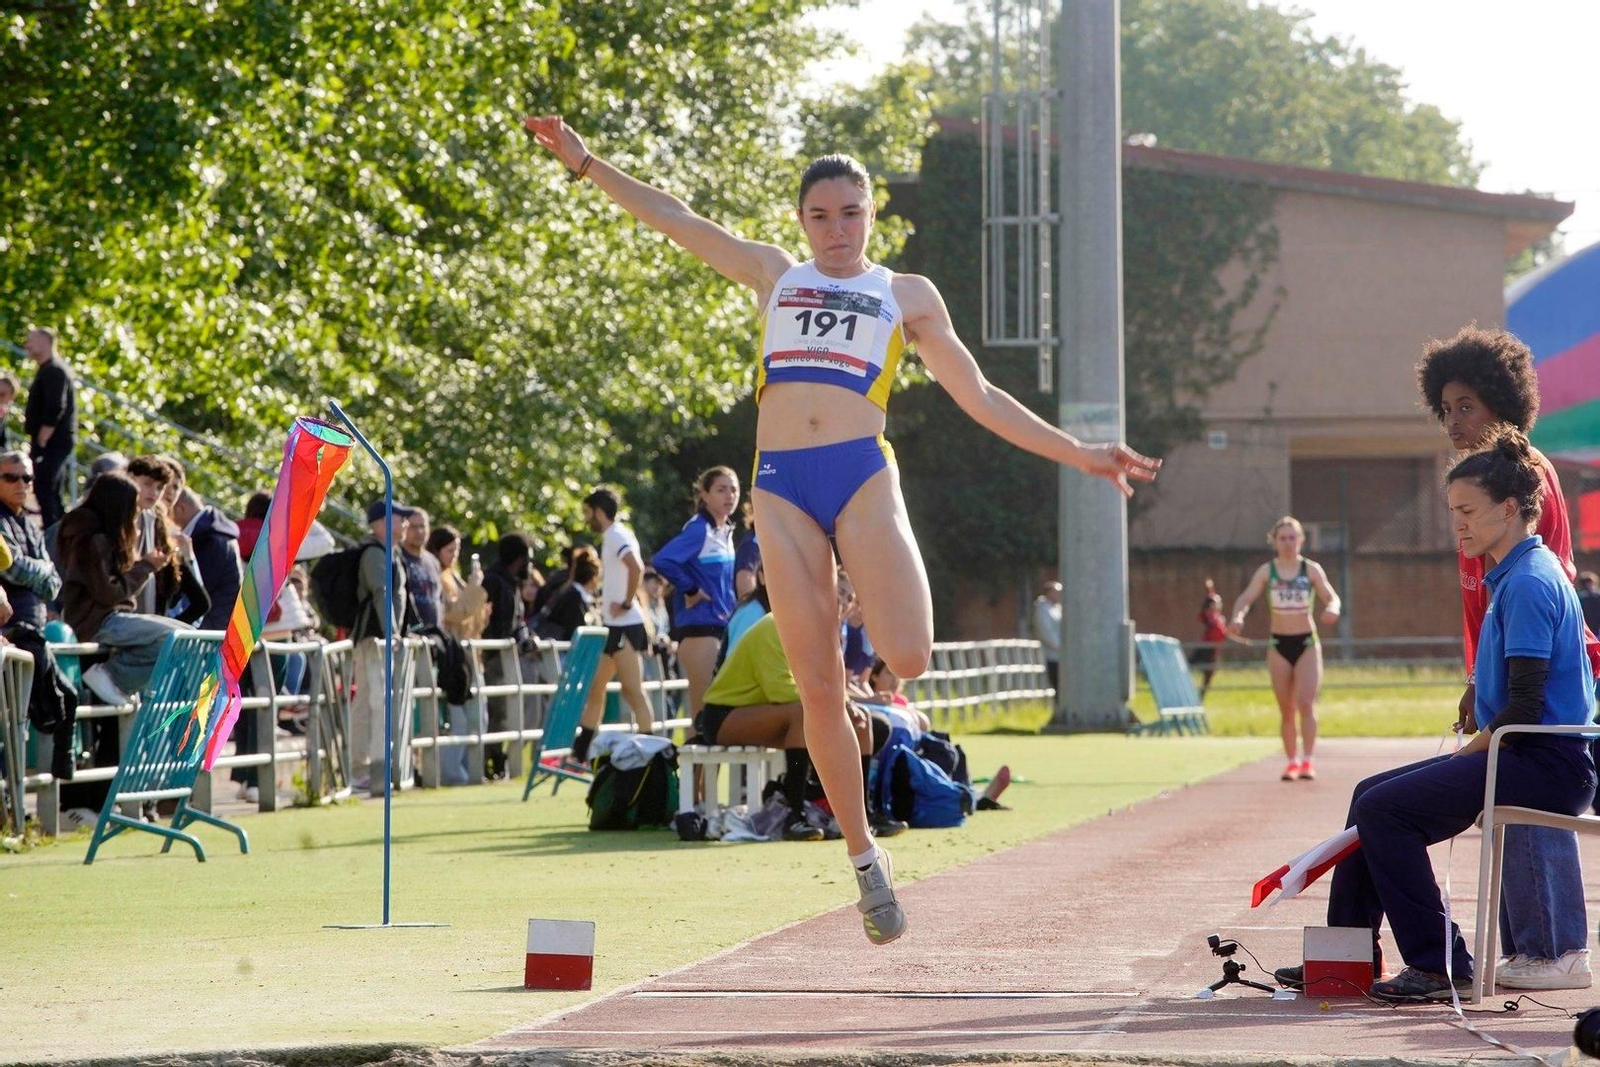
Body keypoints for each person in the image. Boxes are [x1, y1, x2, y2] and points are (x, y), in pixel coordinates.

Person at [526, 117, 1158, 943]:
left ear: (870, 217)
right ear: (800, 220)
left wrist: (1078, 454)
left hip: (861, 472)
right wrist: (583, 161)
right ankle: (864, 860)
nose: (835, 228)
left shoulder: (906, 294)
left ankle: (875, 748)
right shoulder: (771, 273)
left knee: (911, 653)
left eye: (850, 213)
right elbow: (675, 218)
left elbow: (982, 396)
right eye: (820, 215)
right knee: (818, 683)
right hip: (781, 488)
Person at [1274, 431, 1597, 1002]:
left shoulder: (1527, 581)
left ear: (1509, 508)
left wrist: (1471, 749)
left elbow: (1524, 706)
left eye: (1468, 511)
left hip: (1542, 763)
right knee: (1368, 794)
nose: (1459, 526)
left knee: (1385, 810)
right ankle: (1345, 955)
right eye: (1453, 513)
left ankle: (1440, 964)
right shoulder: (1514, 575)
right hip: (1523, 753)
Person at [1417, 324, 1600, 988]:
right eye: (1446, 408)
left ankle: (1559, 946)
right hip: (1500, 668)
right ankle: (1530, 945)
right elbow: (1480, 606)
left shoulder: (1527, 484)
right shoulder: (1473, 488)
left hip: (1543, 668)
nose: (1455, 420)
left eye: (1467, 404)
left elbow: (1530, 586)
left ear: (1500, 402)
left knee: (1535, 803)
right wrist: (1475, 677)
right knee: (1503, 806)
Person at [697, 574, 888, 841]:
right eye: (838, 593)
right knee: (802, 712)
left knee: (863, 720)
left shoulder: (828, 638)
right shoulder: (778, 625)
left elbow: (831, 689)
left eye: (848, 598)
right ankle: (794, 814)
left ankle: (860, 815)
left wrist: (846, 705)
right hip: (725, 715)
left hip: (770, 715)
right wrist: (840, 705)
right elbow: (781, 691)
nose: (843, 602)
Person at [57, 472, 191, 706]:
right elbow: (110, 593)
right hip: (98, 620)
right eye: (132, 507)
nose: (136, 514)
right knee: (177, 638)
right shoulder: (92, 540)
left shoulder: (99, 537)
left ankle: (115, 676)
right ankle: (114, 676)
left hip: (106, 617)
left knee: (186, 637)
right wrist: (145, 566)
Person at [1227, 517, 1341, 782]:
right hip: (1279, 643)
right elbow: (1246, 598)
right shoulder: (1267, 571)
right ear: (1274, 542)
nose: (1288, 543)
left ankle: (1308, 761)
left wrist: (1332, 608)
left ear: (1301, 540)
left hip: (1306, 643)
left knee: (1305, 703)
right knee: (1286, 708)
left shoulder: (1310, 569)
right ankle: (1291, 761)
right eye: (1283, 538)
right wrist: (1238, 616)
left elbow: (1330, 595)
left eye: (1293, 537)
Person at [570, 487, 656, 762]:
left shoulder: (617, 535)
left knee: (633, 690)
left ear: (598, 511)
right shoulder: (613, 536)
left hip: (625, 626)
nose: (587, 519)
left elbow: (637, 567)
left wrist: (628, 603)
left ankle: (651, 752)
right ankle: (580, 753)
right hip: (612, 626)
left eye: (588, 513)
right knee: (596, 688)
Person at [651, 466, 739, 718]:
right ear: (704, 494)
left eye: (734, 489)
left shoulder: (724, 530)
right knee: (703, 716)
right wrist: (691, 588)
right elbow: (662, 560)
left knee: (709, 718)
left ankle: (694, 760)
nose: (729, 496)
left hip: (721, 630)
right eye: (721, 490)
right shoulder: (699, 529)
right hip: (700, 633)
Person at [349, 500, 414, 794]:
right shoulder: (375, 554)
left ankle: (368, 767)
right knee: (372, 702)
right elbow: (381, 593)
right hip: (373, 641)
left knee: (372, 701)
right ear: (382, 523)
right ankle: (365, 768)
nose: (406, 526)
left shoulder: (388, 553)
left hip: (379, 640)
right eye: (401, 519)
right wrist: (391, 633)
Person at [22, 328, 76, 529]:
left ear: (45, 342)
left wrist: (44, 437)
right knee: (50, 488)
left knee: (45, 486)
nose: (27, 345)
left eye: (31, 341)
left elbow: (56, 406)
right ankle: (59, 531)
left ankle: (54, 533)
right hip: (51, 441)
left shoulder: (54, 370)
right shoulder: (49, 369)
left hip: (53, 441)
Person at [171, 488, 241, 631]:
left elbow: (200, 588)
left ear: (181, 508)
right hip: (218, 624)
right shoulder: (215, 531)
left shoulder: (209, 539)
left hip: (209, 627)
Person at [428, 525, 489, 641]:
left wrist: (482, 614)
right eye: (450, 550)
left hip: (464, 642)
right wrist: (474, 587)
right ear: (436, 551)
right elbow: (453, 612)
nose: (455, 555)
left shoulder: (453, 575)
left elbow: (468, 616)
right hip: (450, 642)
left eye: (457, 550)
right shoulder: (436, 577)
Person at [400, 506, 442, 629]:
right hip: (409, 638)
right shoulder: (396, 557)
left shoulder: (433, 561)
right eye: (413, 527)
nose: (419, 531)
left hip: (434, 636)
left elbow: (439, 600)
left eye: (422, 526)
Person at [1191, 580, 1228, 700]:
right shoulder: (1210, 616)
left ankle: (1199, 698)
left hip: (1214, 651)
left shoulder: (1220, 619)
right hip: (1205, 648)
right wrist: (1210, 590)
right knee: (1188, 667)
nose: (1217, 604)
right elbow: (1210, 602)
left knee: (1208, 677)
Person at [1032, 581, 1062, 692]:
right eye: (1057, 592)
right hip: (1053, 655)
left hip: (1060, 655)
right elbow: (1046, 632)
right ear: (1049, 593)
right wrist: (1060, 647)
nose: (1059, 595)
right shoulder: (1043, 610)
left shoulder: (1056, 609)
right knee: (1058, 686)